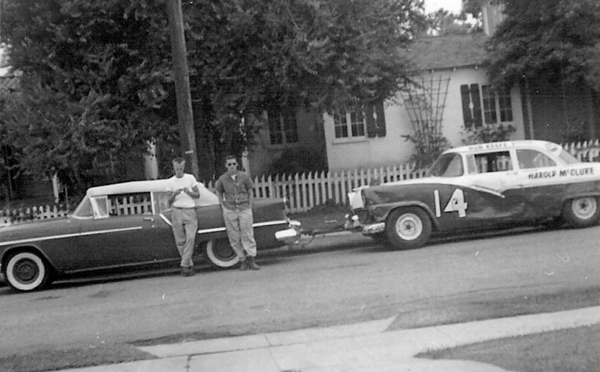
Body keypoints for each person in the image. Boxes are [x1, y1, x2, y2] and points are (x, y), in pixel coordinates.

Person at [215, 155, 260, 271]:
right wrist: (223, 207)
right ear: (226, 166)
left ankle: (251, 258)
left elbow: (250, 191)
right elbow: (219, 192)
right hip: (230, 209)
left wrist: (249, 206)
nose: (232, 166)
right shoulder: (222, 179)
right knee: (234, 236)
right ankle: (242, 259)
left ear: (237, 164)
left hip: (244, 208)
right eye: (229, 164)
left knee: (247, 234)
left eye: (234, 164)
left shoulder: (244, 176)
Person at [166, 157, 200, 277]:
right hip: (177, 211)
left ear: (183, 167)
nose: (179, 171)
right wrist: (175, 194)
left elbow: (197, 194)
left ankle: (184, 265)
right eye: (177, 169)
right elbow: (168, 201)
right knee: (180, 240)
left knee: (190, 237)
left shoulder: (190, 178)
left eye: (181, 169)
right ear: (174, 168)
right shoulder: (170, 182)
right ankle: (188, 265)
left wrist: (189, 192)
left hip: (189, 210)